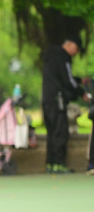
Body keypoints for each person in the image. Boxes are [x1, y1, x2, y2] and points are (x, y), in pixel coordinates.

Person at [42, 35, 88, 173]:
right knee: (60, 131)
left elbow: (62, 76)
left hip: (47, 98)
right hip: (58, 99)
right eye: (76, 49)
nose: (76, 53)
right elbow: (68, 80)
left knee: (51, 131)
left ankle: (50, 164)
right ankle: (58, 163)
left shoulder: (51, 56)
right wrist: (82, 93)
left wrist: (79, 80)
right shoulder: (63, 57)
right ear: (71, 45)